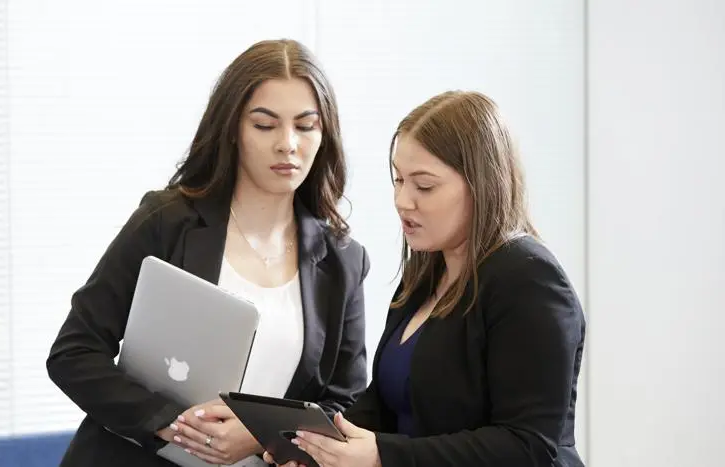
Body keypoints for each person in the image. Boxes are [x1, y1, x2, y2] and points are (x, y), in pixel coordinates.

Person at [46, 39, 371, 467]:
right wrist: (173, 423)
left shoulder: (342, 259)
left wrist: (263, 438)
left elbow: (343, 401)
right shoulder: (167, 221)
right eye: (265, 125)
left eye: (305, 126)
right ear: (232, 130)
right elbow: (74, 352)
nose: (287, 144)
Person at [266, 90, 586, 467]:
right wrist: (316, 447)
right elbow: (387, 404)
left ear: (482, 185)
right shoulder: (427, 270)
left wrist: (382, 456)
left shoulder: (530, 280)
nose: (403, 200)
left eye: (424, 186)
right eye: (399, 181)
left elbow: (526, 445)